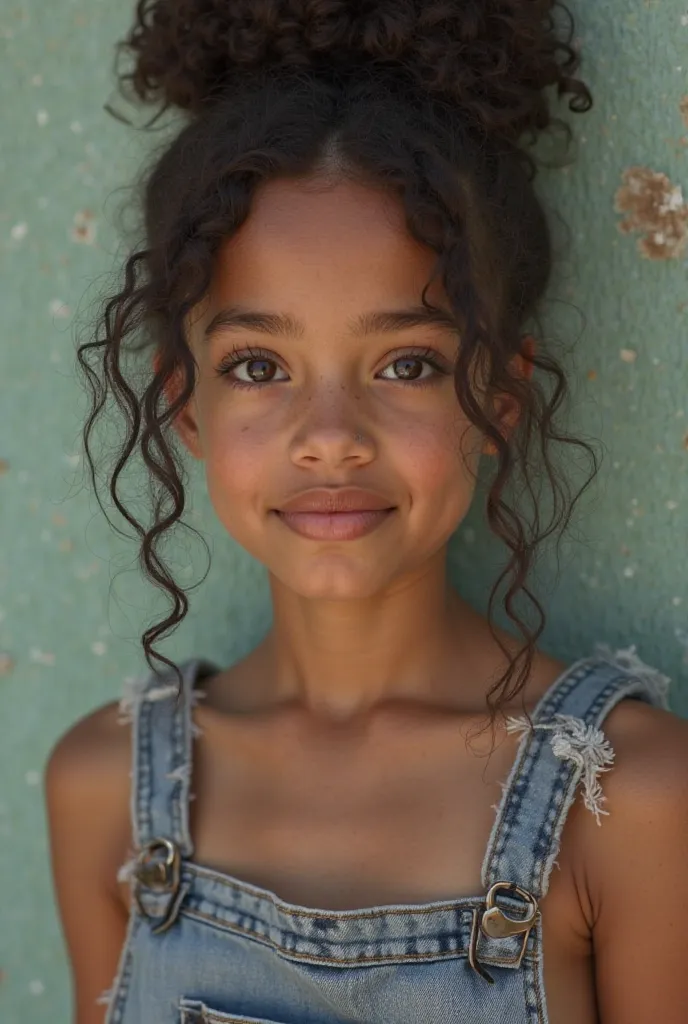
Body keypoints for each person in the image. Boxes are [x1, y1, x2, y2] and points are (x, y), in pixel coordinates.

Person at [44, 2, 688, 1022]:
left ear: (497, 399)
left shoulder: (631, 803)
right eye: (258, 366)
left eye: (407, 363)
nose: (331, 434)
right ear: (185, 405)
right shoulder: (103, 793)